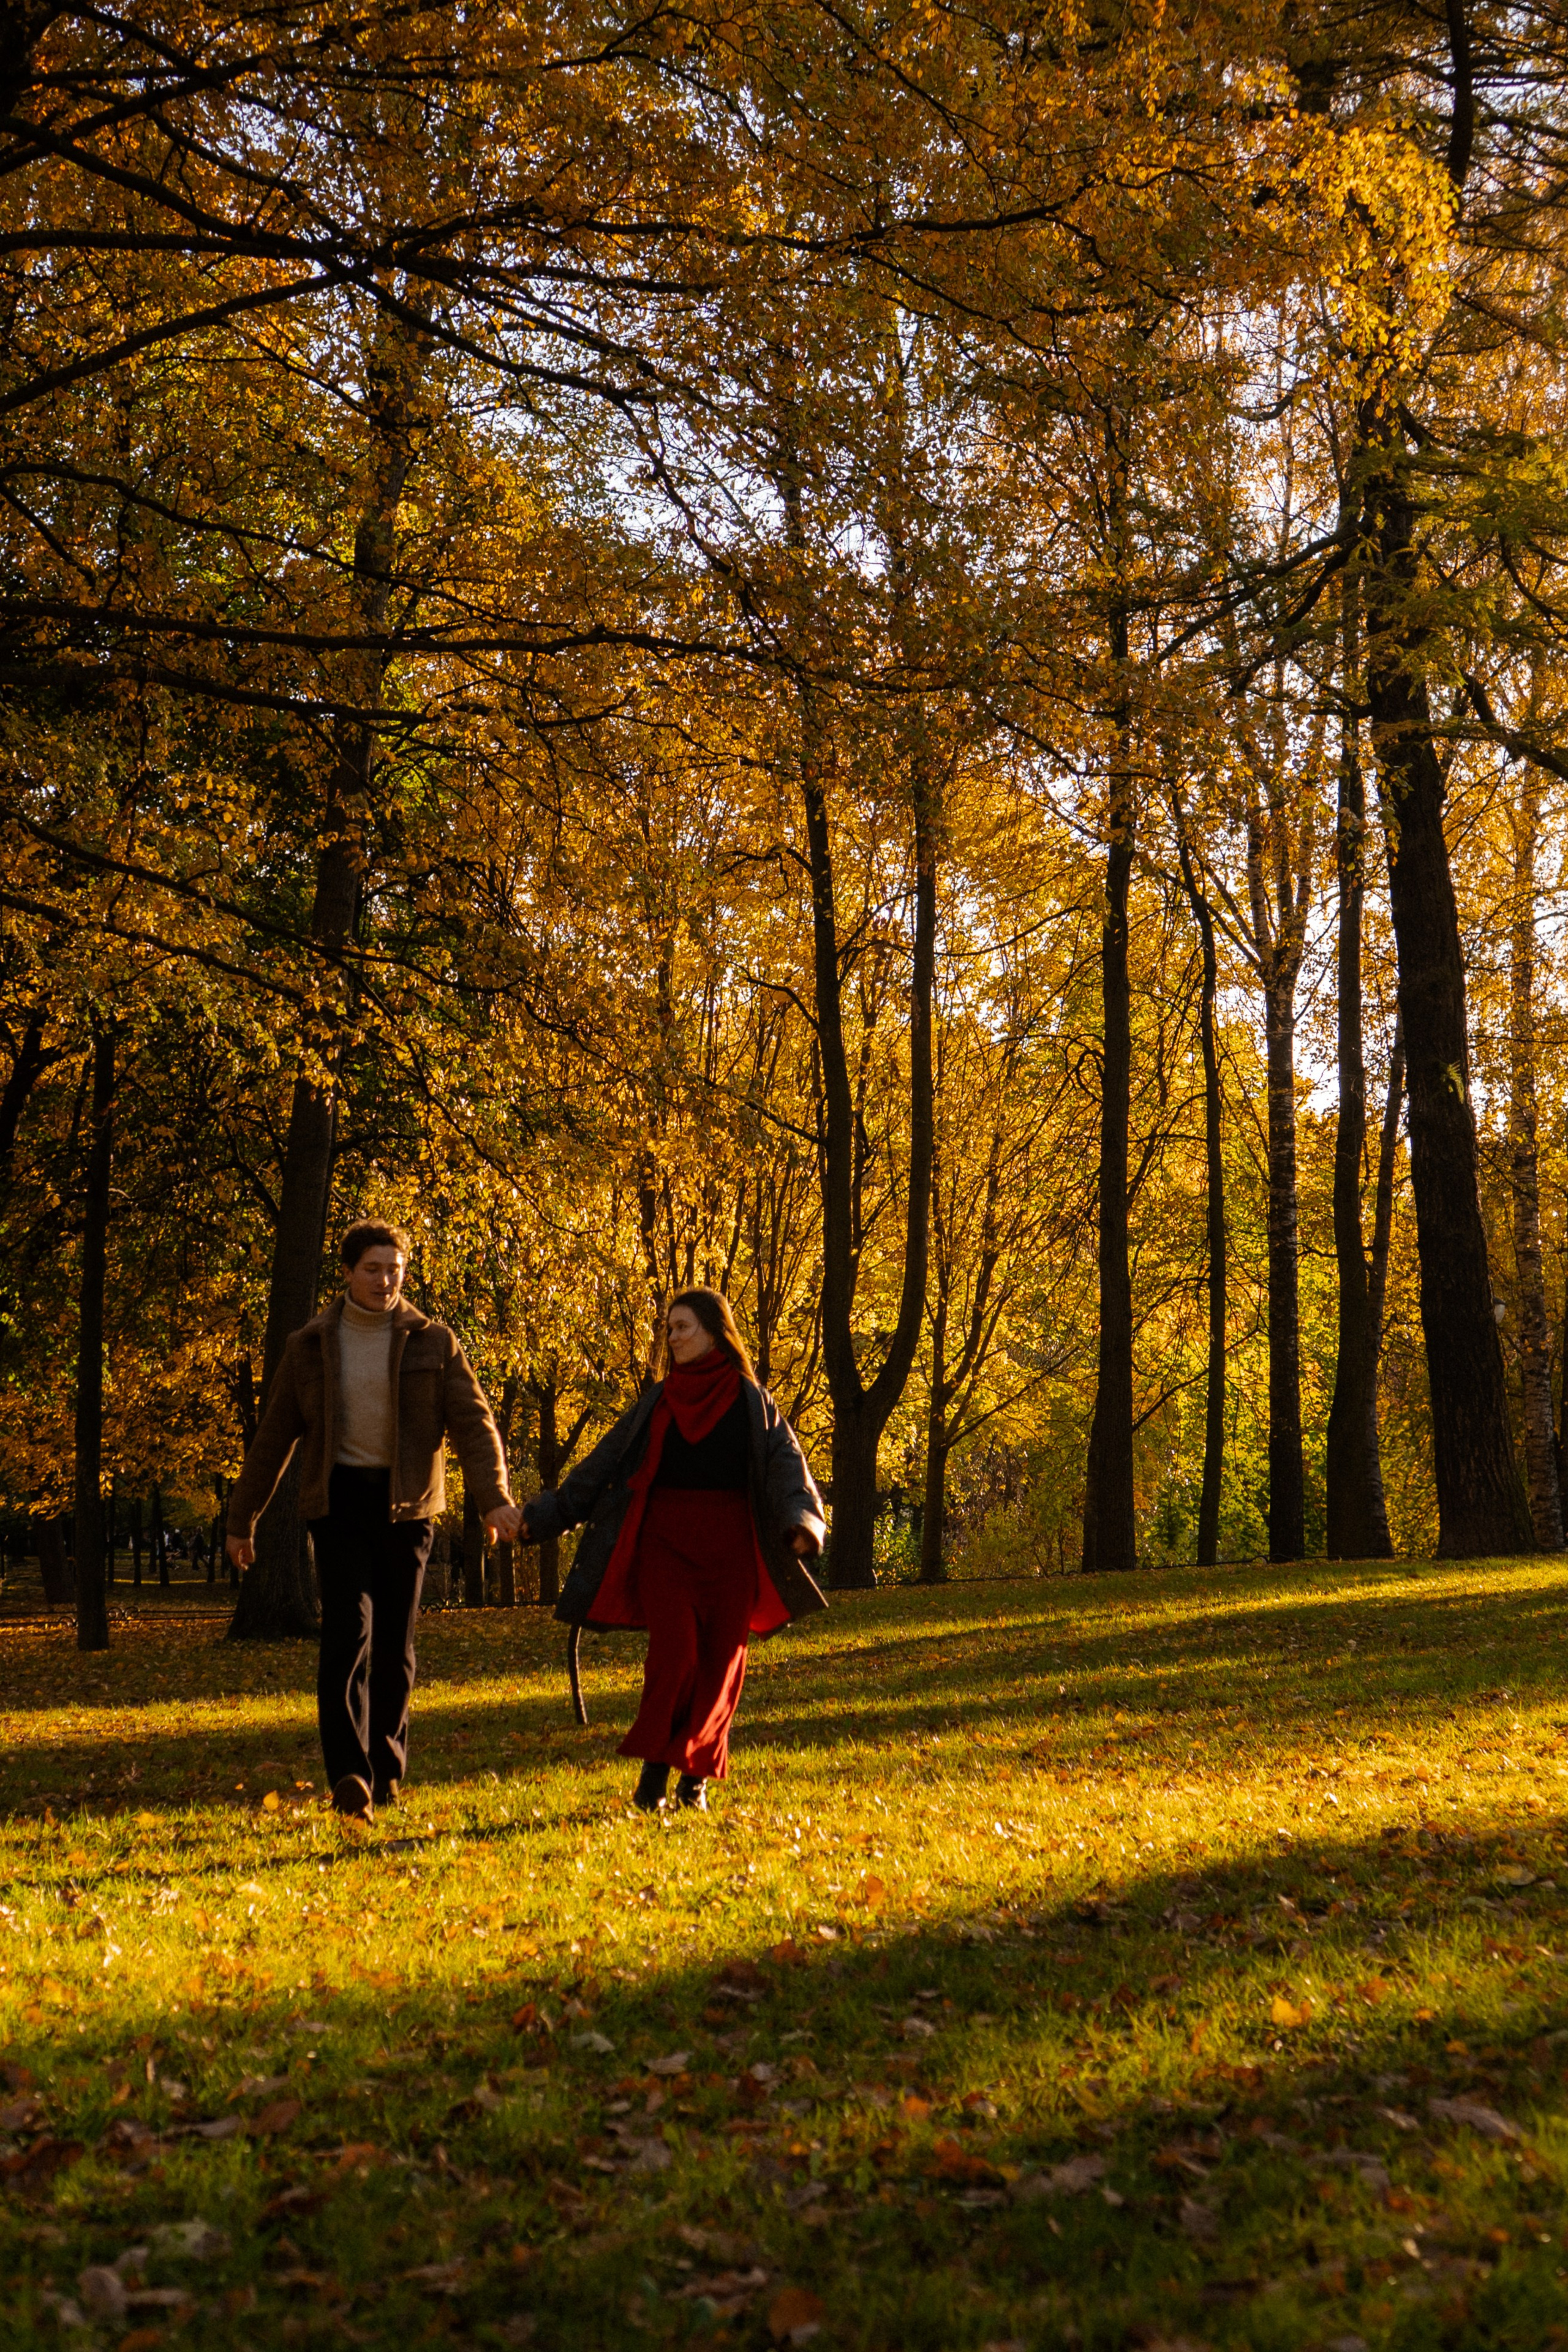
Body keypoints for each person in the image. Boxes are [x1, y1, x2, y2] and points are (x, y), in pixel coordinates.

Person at [226, 1220, 521, 1821]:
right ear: (348, 1273)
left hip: (408, 1508)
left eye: (395, 1269)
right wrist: (241, 1519)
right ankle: (348, 1775)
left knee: (394, 1646)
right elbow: (273, 1438)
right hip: (337, 1506)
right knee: (345, 1639)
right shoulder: (309, 1344)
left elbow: (473, 1423)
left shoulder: (433, 1341)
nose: (385, 1280)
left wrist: (493, 1499)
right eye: (373, 1269)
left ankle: (386, 1773)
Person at [521, 1289, 826, 1811]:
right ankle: (652, 1779)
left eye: (683, 1326)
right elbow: (598, 1469)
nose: (674, 1337)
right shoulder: (657, 1401)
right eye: (670, 1329)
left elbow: (786, 1464)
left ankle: (695, 1782)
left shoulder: (752, 1401)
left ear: (714, 1330)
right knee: (676, 1659)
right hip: (665, 1548)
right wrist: (537, 1520)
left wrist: (802, 1522)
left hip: (731, 1551)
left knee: (721, 1665)